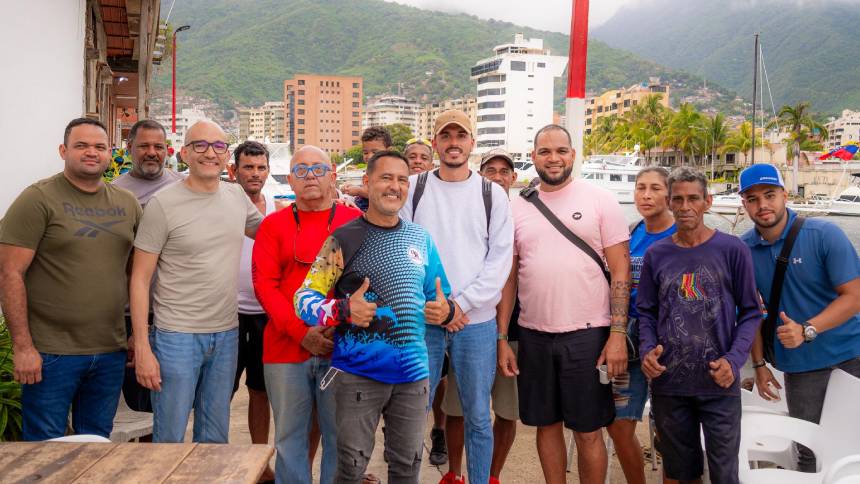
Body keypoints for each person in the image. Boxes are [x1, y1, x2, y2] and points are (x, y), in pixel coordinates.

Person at [295, 150, 454, 484]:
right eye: (385, 178)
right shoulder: (343, 239)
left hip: (413, 376)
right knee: (351, 470)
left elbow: (440, 298)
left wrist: (446, 310)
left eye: (401, 180)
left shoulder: (420, 239)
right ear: (367, 183)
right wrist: (341, 310)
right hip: (357, 375)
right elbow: (303, 299)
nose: (394, 186)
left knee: (407, 467)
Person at [499, 124, 630, 484]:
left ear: (572, 155)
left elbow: (621, 270)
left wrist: (617, 334)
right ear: (534, 157)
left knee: (588, 431)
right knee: (545, 425)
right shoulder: (516, 206)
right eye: (544, 151)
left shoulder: (600, 200)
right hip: (534, 335)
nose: (553, 158)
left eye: (560, 151)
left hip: (588, 336)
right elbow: (510, 278)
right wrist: (501, 338)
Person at [0, 118, 141, 440]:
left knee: (96, 445)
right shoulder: (38, 199)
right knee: (45, 450)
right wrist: (23, 346)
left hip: (110, 350)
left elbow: (137, 273)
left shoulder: (127, 204)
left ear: (110, 153)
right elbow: (9, 272)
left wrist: (137, 334)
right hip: (50, 352)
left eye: (99, 147)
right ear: (64, 151)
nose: (91, 153)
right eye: (81, 146)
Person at [130, 120, 264, 443]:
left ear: (226, 155)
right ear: (185, 153)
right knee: (170, 436)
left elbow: (275, 235)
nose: (210, 153)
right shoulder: (162, 205)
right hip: (176, 335)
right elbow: (139, 278)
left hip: (226, 334)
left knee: (215, 436)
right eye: (200, 146)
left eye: (218, 146)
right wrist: (143, 347)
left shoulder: (236, 198)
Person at [400, 109, 514, 484]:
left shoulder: (492, 194)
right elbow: (402, 250)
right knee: (413, 412)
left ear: (471, 143)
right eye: (445, 136)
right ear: (434, 143)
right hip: (423, 319)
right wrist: (436, 308)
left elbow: (499, 261)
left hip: (475, 322)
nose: (453, 142)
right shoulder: (414, 188)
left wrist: (459, 305)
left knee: (478, 415)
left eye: (460, 136)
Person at [638, 166, 760, 484]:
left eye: (693, 198)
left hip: (719, 383)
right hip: (670, 384)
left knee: (724, 473)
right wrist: (647, 350)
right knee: (681, 473)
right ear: (669, 203)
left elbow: (750, 312)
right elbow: (647, 313)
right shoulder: (656, 254)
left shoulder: (733, 250)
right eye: (677, 199)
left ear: (707, 201)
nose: (685, 206)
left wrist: (734, 361)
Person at [739, 163, 860, 473]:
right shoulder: (743, 249)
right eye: (752, 198)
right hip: (800, 366)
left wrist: (808, 328)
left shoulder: (824, 235)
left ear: (784, 194)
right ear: (744, 204)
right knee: (808, 450)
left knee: (853, 444)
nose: (762, 205)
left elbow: (855, 296)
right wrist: (759, 365)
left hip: (851, 354)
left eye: (769, 195)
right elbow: (751, 312)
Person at [253, 146, 361, 484]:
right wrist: (303, 334)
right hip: (285, 348)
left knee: (339, 438)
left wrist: (334, 329)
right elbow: (265, 288)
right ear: (289, 179)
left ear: (332, 175)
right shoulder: (273, 226)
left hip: (340, 348)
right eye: (300, 170)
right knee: (289, 439)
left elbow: (364, 285)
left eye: (317, 168)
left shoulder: (354, 223)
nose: (310, 176)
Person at [443, 148, 520, 484]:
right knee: (457, 408)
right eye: (492, 170)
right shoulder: (473, 202)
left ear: (514, 178)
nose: (499, 176)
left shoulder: (524, 211)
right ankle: (455, 473)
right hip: (467, 318)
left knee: (503, 410)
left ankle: (492, 475)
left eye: (505, 171)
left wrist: (502, 336)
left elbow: (509, 277)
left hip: (507, 327)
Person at [606, 167, 676, 484]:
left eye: (655, 188)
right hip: (629, 341)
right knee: (619, 424)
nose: (646, 195)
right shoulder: (632, 231)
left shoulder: (679, 237)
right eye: (640, 188)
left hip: (668, 343)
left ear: (669, 194)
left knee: (670, 430)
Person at [112, 119, 184, 414]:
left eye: (158, 146)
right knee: (137, 405)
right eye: (143, 146)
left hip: (174, 313)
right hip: (130, 314)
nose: (152, 152)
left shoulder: (184, 188)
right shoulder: (114, 194)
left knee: (170, 405)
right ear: (129, 148)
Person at [228, 140, 276, 482]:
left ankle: (259, 463)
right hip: (226, 314)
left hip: (265, 314)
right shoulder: (223, 205)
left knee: (260, 392)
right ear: (234, 170)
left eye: (260, 168)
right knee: (220, 391)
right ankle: (213, 456)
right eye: (248, 167)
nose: (254, 174)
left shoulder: (277, 210)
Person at [402, 135, 448, 466]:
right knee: (416, 389)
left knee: (441, 382)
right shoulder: (408, 197)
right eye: (411, 157)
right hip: (416, 312)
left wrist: (455, 307)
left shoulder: (441, 192)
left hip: (448, 306)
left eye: (423, 157)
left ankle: (439, 431)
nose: (418, 161)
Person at [341, 126, 392, 211]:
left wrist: (358, 191)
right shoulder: (369, 171)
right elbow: (366, 189)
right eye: (365, 152)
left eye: (375, 152)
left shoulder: (391, 172)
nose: (369, 156)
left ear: (389, 151)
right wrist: (349, 188)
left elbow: (384, 195)